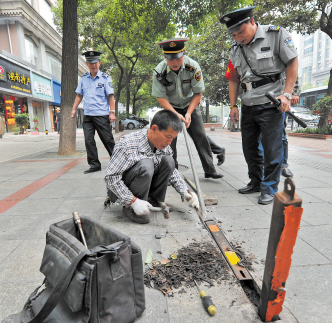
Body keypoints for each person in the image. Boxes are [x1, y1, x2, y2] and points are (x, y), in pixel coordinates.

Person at [220, 7, 298, 205]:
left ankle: (269, 187)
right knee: (250, 148)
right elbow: (233, 79)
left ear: (252, 22)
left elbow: (292, 62)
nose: (238, 37)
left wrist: (287, 94)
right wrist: (233, 105)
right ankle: (255, 181)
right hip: (248, 103)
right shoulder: (235, 49)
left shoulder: (276, 34)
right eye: (234, 34)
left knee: (272, 148)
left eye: (241, 32)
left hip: (272, 102)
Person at [105, 110, 199, 224]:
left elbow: (172, 172)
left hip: (143, 183)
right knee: (146, 164)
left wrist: (185, 192)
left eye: (172, 138)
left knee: (169, 161)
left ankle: (154, 200)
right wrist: (133, 201)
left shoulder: (164, 146)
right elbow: (111, 178)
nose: (169, 142)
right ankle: (129, 208)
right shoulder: (127, 144)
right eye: (168, 136)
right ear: (154, 128)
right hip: (125, 190)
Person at [152, 38, 223, 179]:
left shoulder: (193, 67)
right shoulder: (159, 72)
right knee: (169, 140)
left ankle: (210, 170)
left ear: (183, 54)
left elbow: (198, 93)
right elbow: (161, 97)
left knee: (201, 136)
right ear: (165, 57)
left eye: (177, 58)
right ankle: (172, 173)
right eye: (170, 59)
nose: (174, 62)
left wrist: (189, 113)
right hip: (170, 107)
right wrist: (174, 114)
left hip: (190, 105)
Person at [71, 50, 116, 173]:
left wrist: (112, 112)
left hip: (101, 114)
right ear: (87, 64)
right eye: (90, 62)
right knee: (88, 140)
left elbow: (110, 96)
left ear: (99, 63)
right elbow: (79, 95)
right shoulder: (84, 78)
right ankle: (94, 164)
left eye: (95, 62)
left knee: (107, 139)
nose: (93, 65)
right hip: (88, 115)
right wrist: (74, 109)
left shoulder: (106, 78)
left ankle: (118, 161)